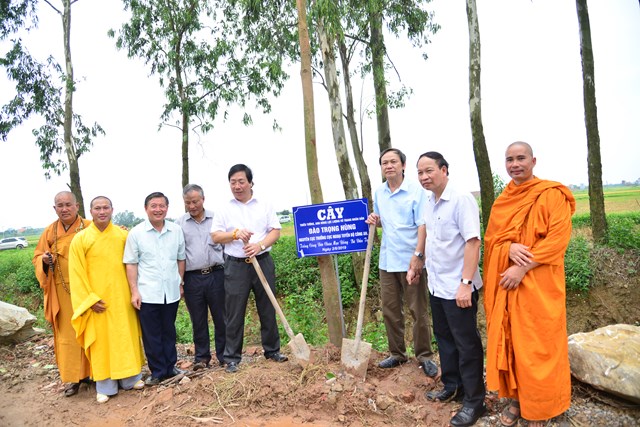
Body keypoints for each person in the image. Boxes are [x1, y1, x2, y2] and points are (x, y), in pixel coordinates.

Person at [483, 142, 575, 427]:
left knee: (540, 345)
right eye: (509, 159)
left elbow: (557, 240)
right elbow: (492, 241)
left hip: (540, 284)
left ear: (533, 161)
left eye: (521, 158)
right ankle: (518, 399)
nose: (515, 164)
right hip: (509, 287)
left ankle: (543, 406)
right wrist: (508, 248)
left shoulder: (551, 194)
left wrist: (521, 268)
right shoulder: (504, 200)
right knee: (513, 342)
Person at [412, 152, 486, 427]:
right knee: (444, 338)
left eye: (429, 171)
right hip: (437, 285)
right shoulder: (429, 202)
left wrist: (465, 284)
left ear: (444, 170)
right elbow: (428, 236)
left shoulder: (461, 199)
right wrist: (417, 260)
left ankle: (475, 401)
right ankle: (453, 386)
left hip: (458, 288)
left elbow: (473, 242)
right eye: (420, 173)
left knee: (466, 344)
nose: (424, 177)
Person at [365, 148, 436, 377]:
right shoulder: (380, 192)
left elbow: (422, 226)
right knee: (390, 310)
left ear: (403, 165)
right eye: (384, 163)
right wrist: (374, 219)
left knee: (418, 310)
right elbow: (382, 222)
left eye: (393, 161)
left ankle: (424, 355)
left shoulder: (416, 191)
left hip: (410, 260)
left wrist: (418, 256)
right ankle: (397, 353)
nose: (389, 166)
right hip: (387, 260)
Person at [211, 164, 287, 373]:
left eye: (241, 181)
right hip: (236, 266)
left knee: (268, 307)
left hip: (262, 261)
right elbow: (216, 236)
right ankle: (232, 358)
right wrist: (235, 234)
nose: (237, 186)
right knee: (234, 312)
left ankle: (272, 351)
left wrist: (259, 245)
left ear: (251, 183)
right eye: (233, 182)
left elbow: (275, 231)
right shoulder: (224, 208)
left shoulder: (264, 204)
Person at [68, 196, 145, 403]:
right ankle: (105, 385)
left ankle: (131, 378)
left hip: (122, 298)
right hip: (97, 302)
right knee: (102, 342)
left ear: (112, 210)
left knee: (124, 337)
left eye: (105, 208)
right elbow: (76, 273)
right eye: (97, 208)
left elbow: (134, 264)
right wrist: (89, 300)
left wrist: (135, 291)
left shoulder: (123, 235)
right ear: (90, 211)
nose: (102, 212)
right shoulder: (81, 239)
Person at [32, 191, 91, 397]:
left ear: (77, 206)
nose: (64, 209)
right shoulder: (50, 231)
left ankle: (95, 374)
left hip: (87, 290)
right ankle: (73, 378)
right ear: (54, 208)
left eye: (68, 204)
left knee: (90, 331)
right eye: (60, 205)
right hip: (62, 291)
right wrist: (44, 260)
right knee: (68, 336)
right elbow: (37, 256)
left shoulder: (90, 227)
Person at [124, 192, 186, 385]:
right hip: (147, 292)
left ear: (167, 208)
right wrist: (134, 291)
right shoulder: (136, 233)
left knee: (169, 331)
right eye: (154, 206)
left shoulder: (176, 230)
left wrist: (180, 282)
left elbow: (181, 258)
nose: (158, 209)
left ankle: (171, 367)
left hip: (171, 291)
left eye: (162, 206)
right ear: (146, 209)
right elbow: (131, 263)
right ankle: (158, 371)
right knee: (152, 335)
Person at [176, 184, 226, 370]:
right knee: (198, 319)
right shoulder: (179, 224)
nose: (192, 206)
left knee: (222, 317)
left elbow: (226, 245)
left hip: (217, 274)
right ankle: (202, 358)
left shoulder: (217, 219)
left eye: (195, 201)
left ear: (203, 199)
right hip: (192, 278)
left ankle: (225, 356)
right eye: (188, 202)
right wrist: (180, 281)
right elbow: (177, 254)